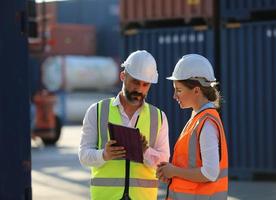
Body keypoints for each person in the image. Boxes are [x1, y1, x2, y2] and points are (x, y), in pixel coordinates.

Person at [79, 50, 170, 200]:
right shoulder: (97, 111)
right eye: (135, 82)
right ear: (123, 76)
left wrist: (145, 151)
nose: (139, 89)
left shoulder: (158, 117)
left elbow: (164, 164)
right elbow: (83, 155)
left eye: (145, 84)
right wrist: (104, 155)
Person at [156, 54, 228, 199]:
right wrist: (170, 173)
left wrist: (174, 171)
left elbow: (210, 173)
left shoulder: (206, 123)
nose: (174, 96)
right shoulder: (197, 119)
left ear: (196, 90)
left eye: (179, 90)